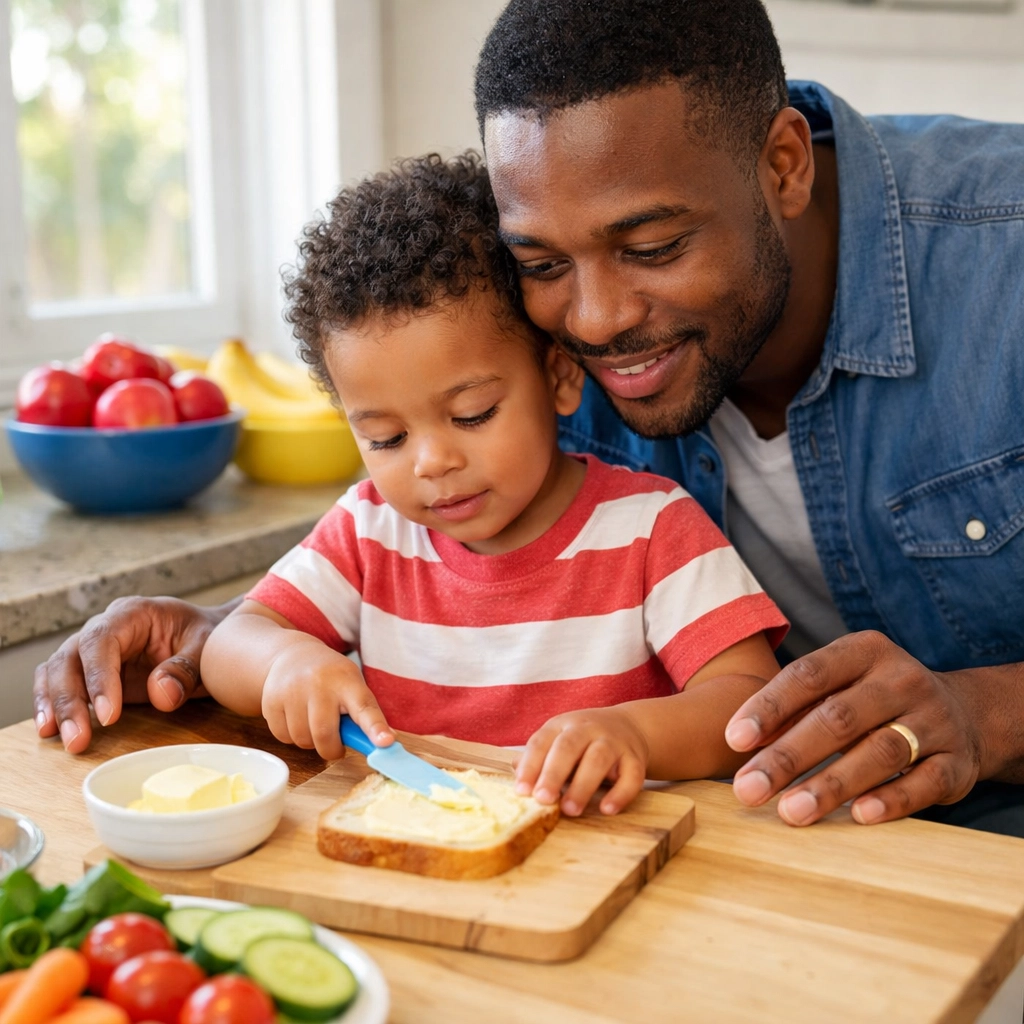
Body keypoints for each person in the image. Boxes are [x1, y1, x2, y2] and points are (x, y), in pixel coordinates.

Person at [35, 0, 1024, 835]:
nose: (593, 323)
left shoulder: (1003, 257)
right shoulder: (513, 327)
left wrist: (982, 711)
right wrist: (214, 643)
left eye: (652, 244)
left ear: (780, 168)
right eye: (544, 263)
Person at [195, 153, 786, 815]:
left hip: (618, 860)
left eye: (472, 414)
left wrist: (634, 733)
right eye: (386, 437)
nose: (430, 462)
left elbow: (746, 700)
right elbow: (230, 642)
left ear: (559, 378)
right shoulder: (369, 532)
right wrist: (283, 662)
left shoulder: (654, 529)